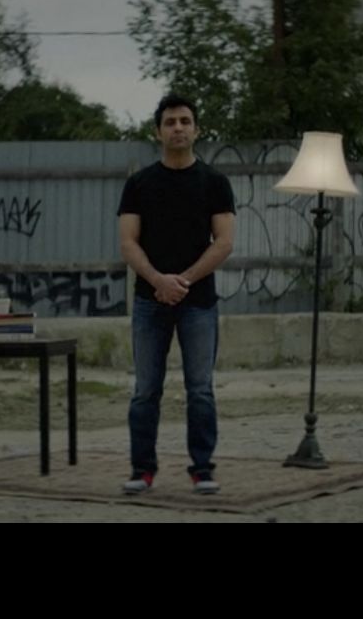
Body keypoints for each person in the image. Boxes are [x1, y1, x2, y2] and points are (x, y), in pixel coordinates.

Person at [116, 94, 235, 495]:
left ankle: (202, 469)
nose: (178, 128)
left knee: (200, 389)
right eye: (170, 122)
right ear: (158, 131)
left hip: (198, 304)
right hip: (150, 303)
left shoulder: (215, 183)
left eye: (185, 121)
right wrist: (157, 281)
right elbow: (129, 243)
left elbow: (224, 243)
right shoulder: (139, 184)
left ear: (196, 129)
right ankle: (142, 470)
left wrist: (181, 280)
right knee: (146, 390)